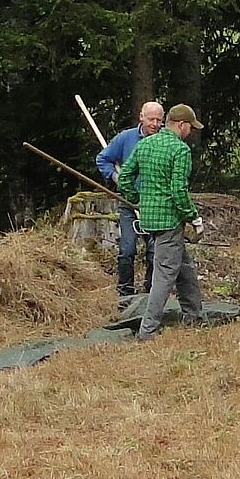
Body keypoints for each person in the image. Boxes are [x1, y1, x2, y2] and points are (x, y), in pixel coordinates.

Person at [117, 104, 206, 341]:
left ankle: (194, 316)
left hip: (149, 219)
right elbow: (179, 191)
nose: (190, 132)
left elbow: (124, 178)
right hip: (169, 222)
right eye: (190, 127)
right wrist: (193, 216)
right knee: (164, 276)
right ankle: (147, 331)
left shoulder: (145, 144)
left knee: (183, 266)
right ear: (181, 125)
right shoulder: (180, 150)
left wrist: (138, 199)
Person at [95, 101, 165, 308]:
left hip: (154, 205)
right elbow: (103, 159)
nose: (154, 124)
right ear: (141, 117)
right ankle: (125, 296)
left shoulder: (164, 141)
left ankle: (151, 295)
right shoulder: (126, 139)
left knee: (154, 251)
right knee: (127, 250)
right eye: (151, 119)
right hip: (127, 202)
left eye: (158, 120)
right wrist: (115, 177)